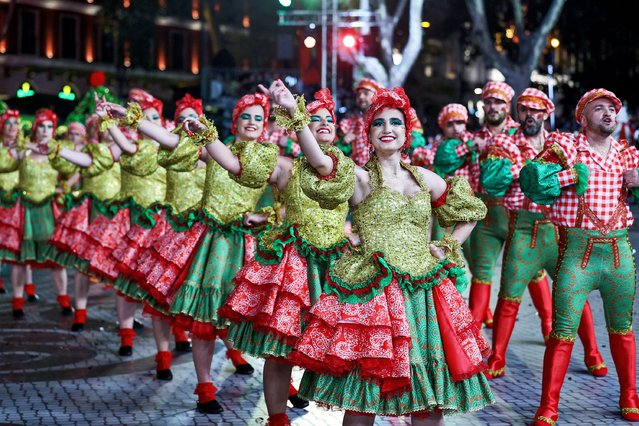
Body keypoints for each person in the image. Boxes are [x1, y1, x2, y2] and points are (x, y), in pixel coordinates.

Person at [290, 86, 493, 424]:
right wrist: (297, 120)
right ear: (369, 134)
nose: (388, 129)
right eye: (379, 123)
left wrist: (446, 246)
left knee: (427, 397)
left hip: (423, 295)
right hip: (375, 294)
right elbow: (322, 163)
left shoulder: (424, 178)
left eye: (395, 122)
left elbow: (469, 211)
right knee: (363, 393)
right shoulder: (361, 177)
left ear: (406, 132)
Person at [219, 86, 352, 425]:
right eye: (314, 119)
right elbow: (238, 166)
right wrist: (205, 137)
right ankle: (277, 419)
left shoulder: (343, 166)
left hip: (335, 268)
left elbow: (322, 166)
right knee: (279, 352)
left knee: (337, 347)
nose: (322, 123)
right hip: (293, 268)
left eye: (328, 120)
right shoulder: (285, 167)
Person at [520, 89, 639, 424]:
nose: (608, 114)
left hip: (618, 254)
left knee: (623, 328)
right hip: (577, 253)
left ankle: (629, 394)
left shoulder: (628, 154)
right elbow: (532, 180)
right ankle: (549, 404)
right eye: (599, 108)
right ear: (583, 117)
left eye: (612, 109)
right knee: (562, 330)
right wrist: (570, 176)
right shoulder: (567, 147)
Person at [479, 88, 606, 380]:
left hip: (558, 230)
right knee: (508, 296)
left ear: (547, 113)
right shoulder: (503, 141)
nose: (530, 116)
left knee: (576, 294)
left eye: (537, 111)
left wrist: (528, 173)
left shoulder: (561, 142)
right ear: (518, 112)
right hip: (523, 231)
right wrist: (544, 175)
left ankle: (592, 352)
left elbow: (580, 177)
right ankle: (497, 356)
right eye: (524, 109)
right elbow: (492, 182)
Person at [0, 109, 76, 318]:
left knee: (56, 260)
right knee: (20, 259)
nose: (45, 130)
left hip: (49, 210)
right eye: (41, 125)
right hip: (25, 209)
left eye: (49, 126)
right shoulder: (23, 151)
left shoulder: (59, 152)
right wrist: (8, 147)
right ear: (35, 127)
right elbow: (3, 166)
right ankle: (17, 301)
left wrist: (65, 187)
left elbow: (76, 169)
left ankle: (63, 299)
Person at [336, 78, 383, 166]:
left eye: (366, 93)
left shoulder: (386, 123)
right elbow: (336, 152)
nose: (361, 97)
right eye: (358, 94)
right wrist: (344, 142)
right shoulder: (349, 125)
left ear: (377, 96)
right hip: (357, 176)